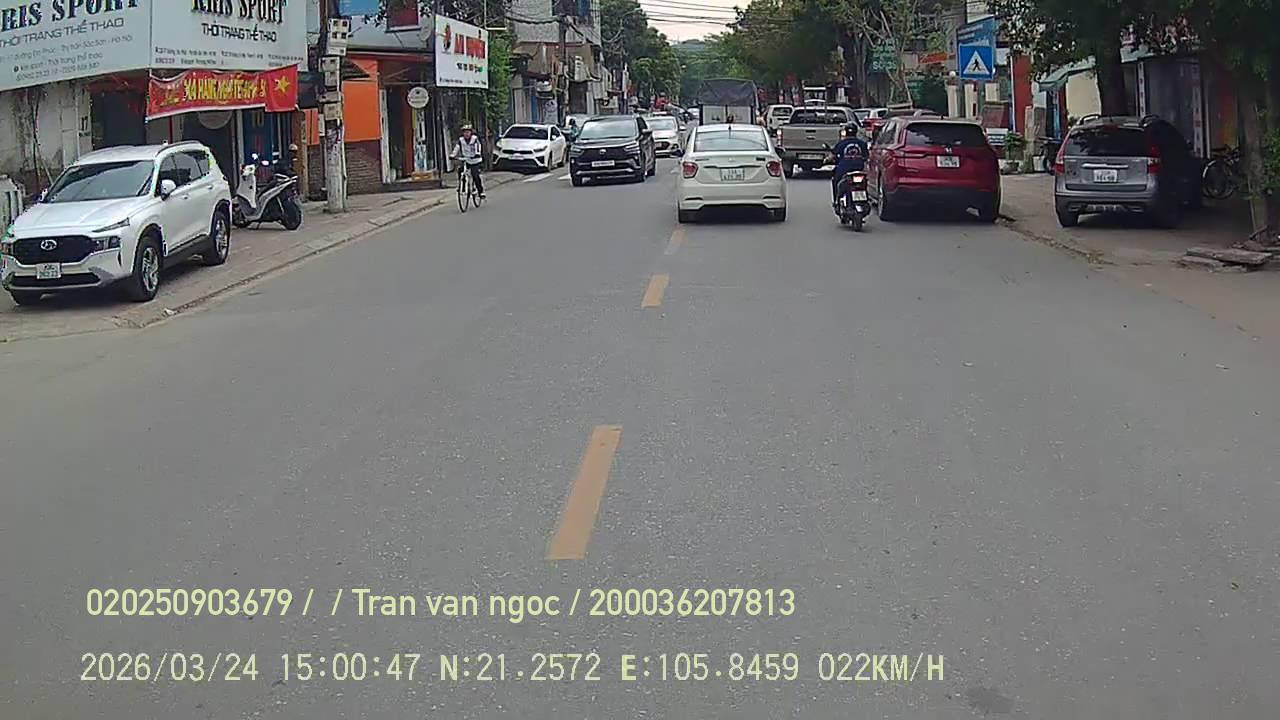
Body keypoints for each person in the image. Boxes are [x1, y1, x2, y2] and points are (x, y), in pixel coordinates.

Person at [830, 123, 869, 208]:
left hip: (843, 170)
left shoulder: (841, 143)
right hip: (859, 169)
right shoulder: (861, 143)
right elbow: (866, 156)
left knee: (836, 181)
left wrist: (827, 159)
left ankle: (837, 201)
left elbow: (832, 155)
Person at [451, 123, 485, 199]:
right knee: (460, 171)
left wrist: (477, 153)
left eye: (468, 132)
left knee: (475, 175)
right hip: (467, 160)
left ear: (471, 133)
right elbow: (457, 148)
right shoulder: (461, 140)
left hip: (475, 160)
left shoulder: (475, 139)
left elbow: (478, 147)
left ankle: (481, 191)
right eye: (465, 132)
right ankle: (462, 187)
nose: (466, 134)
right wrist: (453, 155)